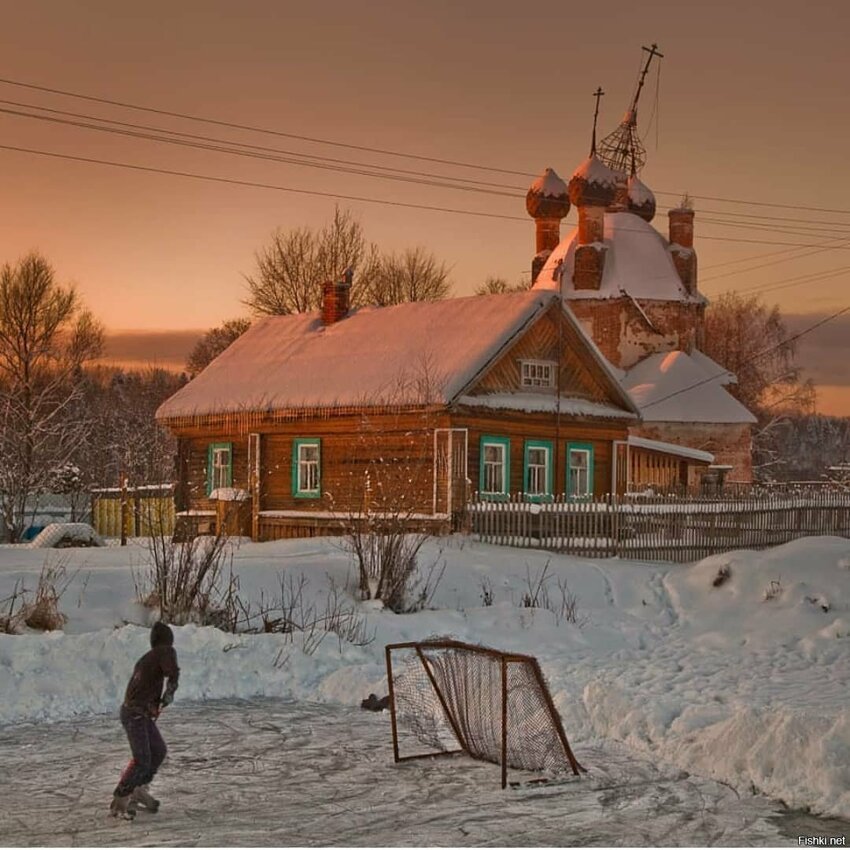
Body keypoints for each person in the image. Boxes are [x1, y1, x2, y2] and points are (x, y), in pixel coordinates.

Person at [110, 621, 180, 819]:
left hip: (139, 713)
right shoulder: (164, 651)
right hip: (135, 714)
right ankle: (121, 797)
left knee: (158, 751)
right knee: (143, 759)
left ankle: (138, 788)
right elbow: (172, 672)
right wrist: (171, 690)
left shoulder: (146, 658)